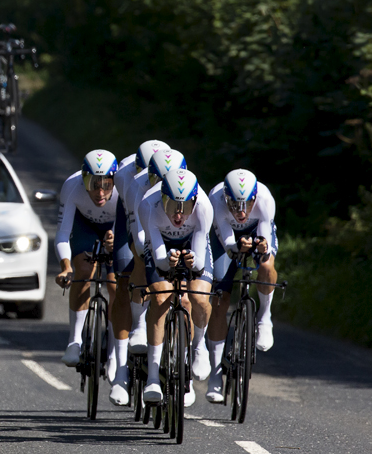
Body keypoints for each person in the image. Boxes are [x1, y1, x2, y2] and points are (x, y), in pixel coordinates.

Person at [137, 167, 213, 406]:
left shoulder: (204, 208)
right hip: (162, 244)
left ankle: (199, 347)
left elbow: (199, 261)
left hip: (192, 242)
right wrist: (166, 261)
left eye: (185, 207)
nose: (179, 215)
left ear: (194, 201)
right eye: (172, 207)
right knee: (160, 297)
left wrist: (192, 261)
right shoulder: (148, 206)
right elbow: (159, 257)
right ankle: (152, 377)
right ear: (163, 199)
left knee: (197, 298)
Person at [105, 140, 172, 406]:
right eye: (150, 176)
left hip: (168, 214)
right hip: (132, 219)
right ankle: (121, 368)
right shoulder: (128, 179)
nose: (153, 181)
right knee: (126, 275)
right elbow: (138, 234)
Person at [205, 169, 278, 403]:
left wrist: (260, 247)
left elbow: (265, 241)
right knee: (219, 297)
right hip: (224, 238)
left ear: (255, 198)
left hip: (255, 232)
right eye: (234, 204)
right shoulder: (214, 200)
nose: (241, 210)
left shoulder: (265, 199)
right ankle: (215, 375)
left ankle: (264, 317)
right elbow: (226, 241)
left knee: (266, 266)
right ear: (226, 198)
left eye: (247, 204)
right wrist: (236, 246)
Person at [54, 150, 132, 371]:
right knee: (83, 271)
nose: (100, 192)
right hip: (84, 225)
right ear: (82, 178)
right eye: (92, 184)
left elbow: (131, 224)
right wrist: (66, 266)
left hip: (115, 227)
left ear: (114, 180)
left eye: (106, 185)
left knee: (116, 284)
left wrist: (115, 238)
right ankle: (75, 341)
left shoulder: (124, 188)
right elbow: (62, 234)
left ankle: (115, 353)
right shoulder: (71, 187)